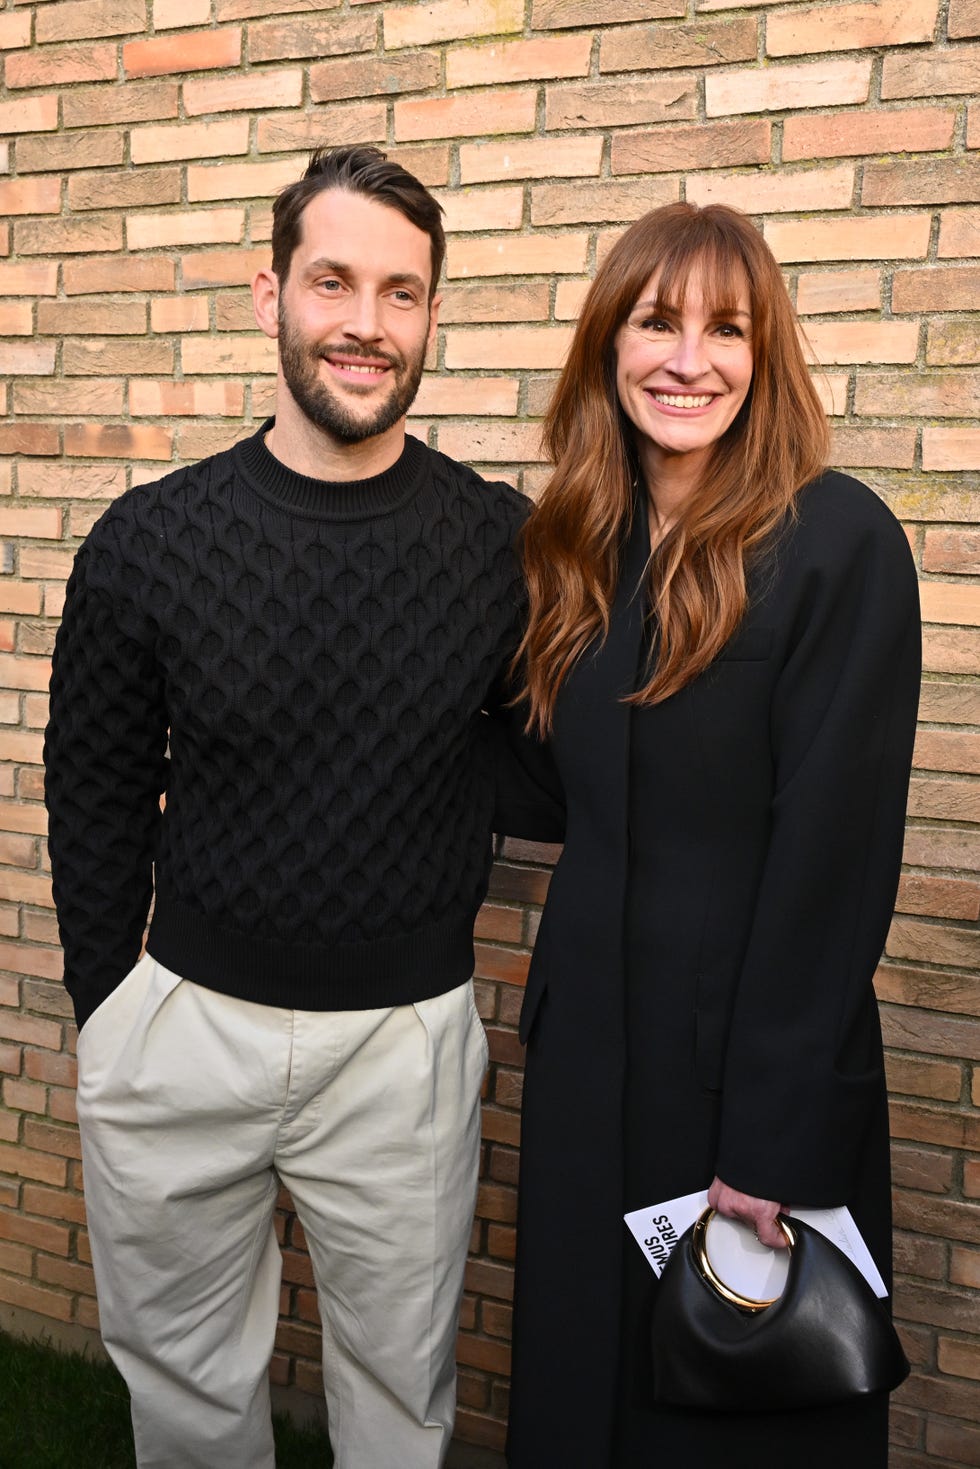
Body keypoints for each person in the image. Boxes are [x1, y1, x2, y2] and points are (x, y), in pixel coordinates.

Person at [43, 145, 533, 1469]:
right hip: (184, 1032)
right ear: (271, 295)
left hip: (405, 1052)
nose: (366, 324)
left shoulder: (501, 544)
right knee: (189, 1402)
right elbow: (89, 785)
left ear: (432, 317)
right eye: (334, 281)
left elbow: (556, 760)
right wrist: (114, 1012)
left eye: (402, 293)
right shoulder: (147, 540)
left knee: (397, 1406)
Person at [505, 202, 920, 1466]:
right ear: (606, 345)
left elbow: (833, 856)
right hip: (590, 1049)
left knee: (731, 1409)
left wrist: (772, 1141)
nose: (687, 359)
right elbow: (546, 783)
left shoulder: (835, 538)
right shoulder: (579, 544)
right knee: (588, 1384)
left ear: (764, 351)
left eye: (724, 329)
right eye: (655, 322)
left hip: (745, 1069)